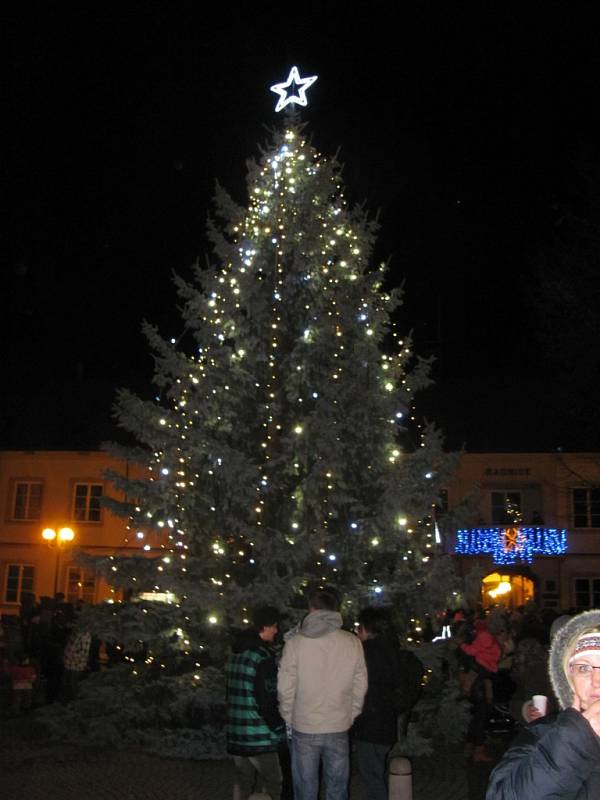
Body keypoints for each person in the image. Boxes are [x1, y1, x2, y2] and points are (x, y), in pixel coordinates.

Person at [486, 609, 600, 799]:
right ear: (568, 676)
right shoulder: (541, 734)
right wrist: (575, 739)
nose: (596, 679)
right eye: (584, 668)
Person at [277, 586, 368, 800]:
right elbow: (360, 684)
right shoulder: (352, 642)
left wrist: (289, 715)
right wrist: (351, 713)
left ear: (312, 609)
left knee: (305, 789)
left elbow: (285, 686)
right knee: (337, 789)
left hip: (305, 724)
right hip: (338, 723)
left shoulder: (295, 643)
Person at [352, 607, 423, 800]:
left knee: (372, 777)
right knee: (376, 771)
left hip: (368, 723)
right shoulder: (394, 651)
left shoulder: (364, 653)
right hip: (387, 723)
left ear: (367, 629)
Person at [225, 606, 286, 800]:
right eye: (274, 626)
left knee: (243, 780)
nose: (276, 631)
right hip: (259, 735)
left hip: (236, 731)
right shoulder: (262, 658)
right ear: (265, 626)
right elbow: (266, 699)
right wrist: (278, 728)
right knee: (275, 781)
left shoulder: (235, 655)